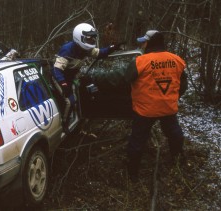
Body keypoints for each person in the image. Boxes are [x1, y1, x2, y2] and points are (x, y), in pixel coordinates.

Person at [123, 30, 188, 182]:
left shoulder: (140, 61)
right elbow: (183, 85)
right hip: (168, 108)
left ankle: (132, 175)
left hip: (145, 110)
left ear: (151, 43)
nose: (143, 44)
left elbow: (126, 79)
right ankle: (177, 161)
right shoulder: (177, 60)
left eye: (145, 41)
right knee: (174, 134)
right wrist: (171, 97)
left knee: (138, 140)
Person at [52, 23, 121, 133]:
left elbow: (99, 53)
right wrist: (64, 85)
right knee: (70, 100)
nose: (91, 42)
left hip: (71, 76)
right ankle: (64, 123)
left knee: (86, 90)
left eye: (92, 39)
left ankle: (81, 116)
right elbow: (57, 70)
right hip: (60, 77)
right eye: (88, 39)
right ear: (79, 38)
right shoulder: (67, 50)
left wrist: (112, 48)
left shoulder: (85, 49)